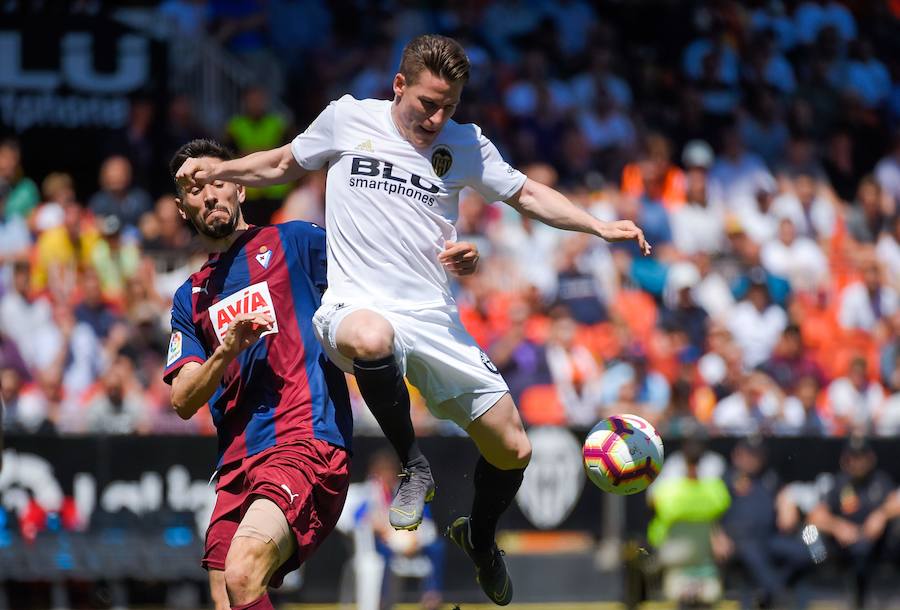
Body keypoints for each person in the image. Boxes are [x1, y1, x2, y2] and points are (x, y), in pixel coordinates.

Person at [176, 34, 651, 605]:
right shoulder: (348, 119)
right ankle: (412, 466)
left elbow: (526, 195)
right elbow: (279, 162)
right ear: (399, 85)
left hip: (430, 313)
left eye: (449, 105)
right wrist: (219, 169)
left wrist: (597, 226)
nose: (437, 116)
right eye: (428, 102)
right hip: (354, 305)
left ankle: (478, 538)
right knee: (371, 336)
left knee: (512, 449)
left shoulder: (464, 144)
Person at [163, 139, 355, 610]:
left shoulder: (295, 242)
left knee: (243, 569)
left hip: (301, 441)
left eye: (217, 180)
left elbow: (371, 262)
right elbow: (183, 400)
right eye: (193, 189)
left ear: (242, 188)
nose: (208, 194)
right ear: (182, 208)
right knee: (226, 592)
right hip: (235, 466)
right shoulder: (190, 297)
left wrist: (441, 255)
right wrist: (224, 352)